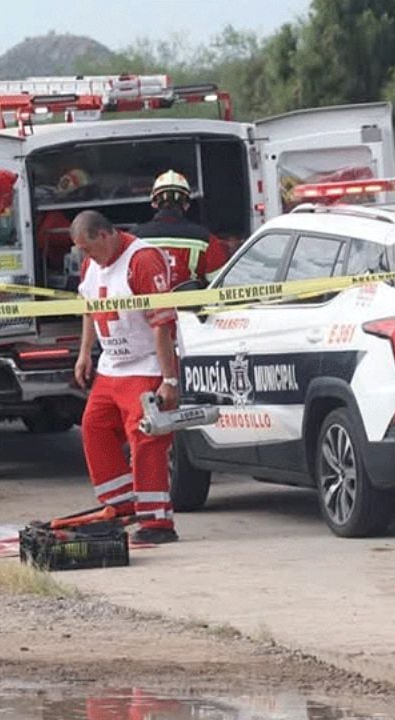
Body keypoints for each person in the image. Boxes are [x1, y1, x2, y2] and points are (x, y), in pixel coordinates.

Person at [72, 210, 182, 545]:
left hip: (145, 364)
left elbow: (162, 323)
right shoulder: (91, 265)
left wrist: (170, 380)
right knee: (94, 428)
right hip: (111, 366)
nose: (88, 257)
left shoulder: (142, 260)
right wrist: (84, 352)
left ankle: (156, 522)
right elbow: (90, 309)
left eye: (90, 249)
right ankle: (119, 507)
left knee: (145, 438)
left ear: (105, 235)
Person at [130, 170, 229, 286]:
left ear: (154, 203)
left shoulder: (134, 239)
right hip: (192, 303)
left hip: (150, 304)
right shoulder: (205, 239)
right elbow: (219, 283)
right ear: (186, 205)